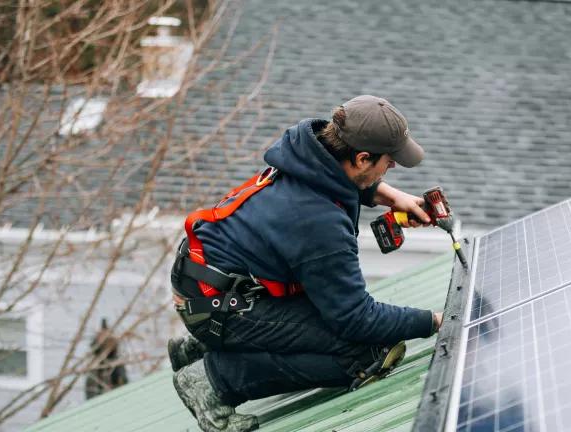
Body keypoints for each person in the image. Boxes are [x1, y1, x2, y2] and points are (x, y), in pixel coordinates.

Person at [169, 95, 444, 432]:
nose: (393, 167)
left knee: (359, 333)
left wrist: (389, 195)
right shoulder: (319, 223)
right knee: (364, 354)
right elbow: (356, 319)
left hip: (208, 283)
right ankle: (214, 381)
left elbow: (333, 181)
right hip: (220, 305)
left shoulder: (302, 155)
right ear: (361, 158)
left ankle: (204, 344)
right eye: (389, 161)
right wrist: (434, 321)